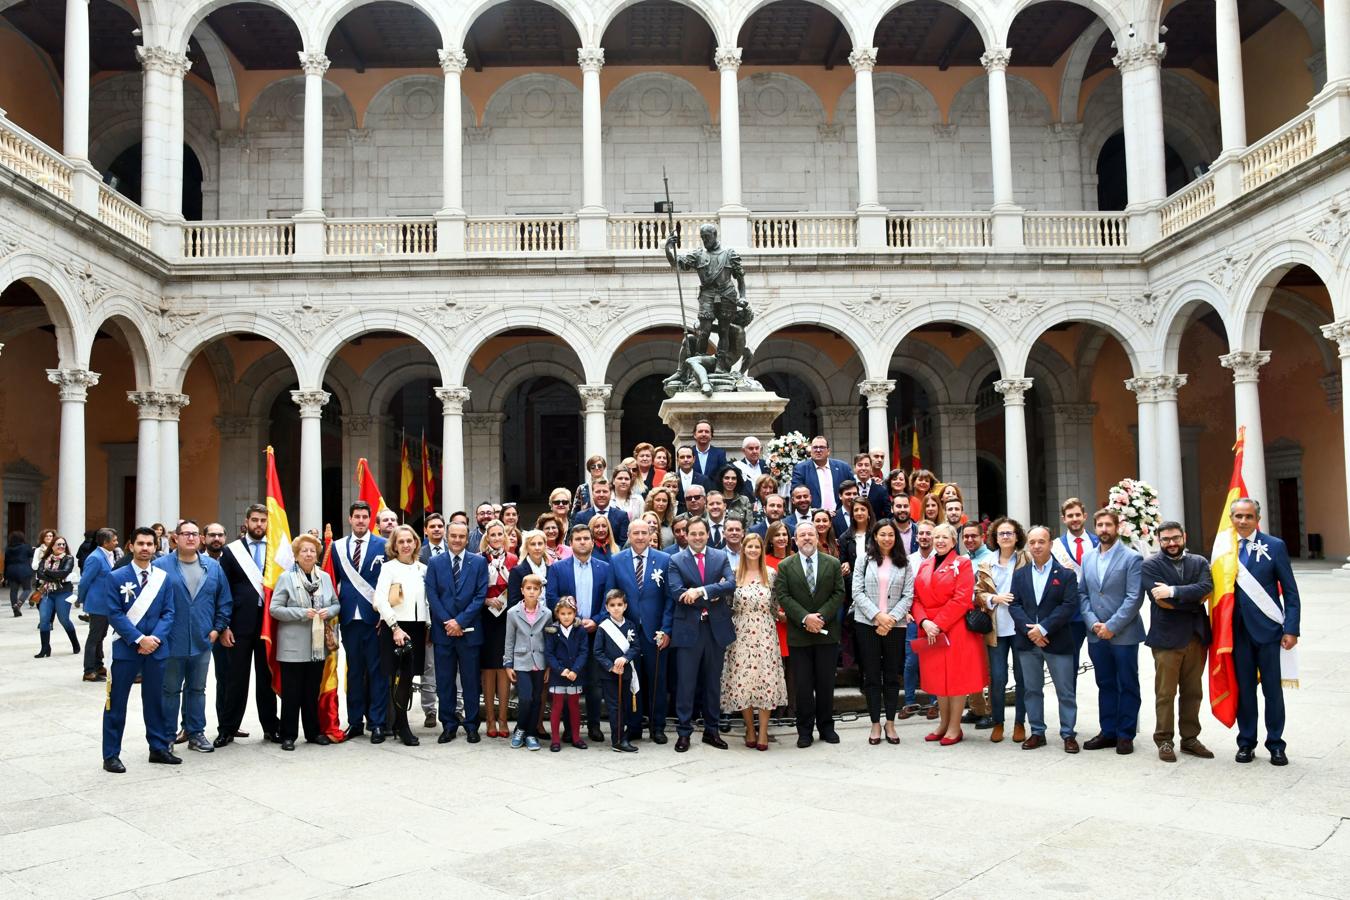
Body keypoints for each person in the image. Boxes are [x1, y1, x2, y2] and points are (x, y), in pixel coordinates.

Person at [1225, 498, 1300, 766]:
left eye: (1248, 516)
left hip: (1269, 632)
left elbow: (1290, 592)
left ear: (1257, 518)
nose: (1242, 521)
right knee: (1245, 691)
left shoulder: (1275, 546)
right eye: (1238, 516)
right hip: (1237, 634)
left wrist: (1291, 628)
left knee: (1272, 691)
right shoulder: (1224, 548)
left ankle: (1276, 744)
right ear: (1231, 518)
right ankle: (1246, 742)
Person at [100, 527, 176, 773]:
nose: (145, 548)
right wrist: (138, 639)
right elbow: (114, 613)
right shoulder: (116, 577)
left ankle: (158, 747)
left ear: (156, 547)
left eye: (150, 544)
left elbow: (169, 612)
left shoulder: (163, 578)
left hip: (156, 648)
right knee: (116, 703)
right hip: (125, 649)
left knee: (155, 701)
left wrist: (153, 639)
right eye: (140, 543)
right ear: (131, 546)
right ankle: (111, 754)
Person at [1143, 520, 1215, 763]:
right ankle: (1164, 740)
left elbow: (1207, 588)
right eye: (1165, 539)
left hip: (1196, 636)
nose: (1171, 543)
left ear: (1184, 536)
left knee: (1193, 691)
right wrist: (1192, 597)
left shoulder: (1199, 562)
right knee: (1165, 693)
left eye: (1175, 538)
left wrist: (1173, 591)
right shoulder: (1150, 565)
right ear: (1158, 540)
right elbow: (1159, 600)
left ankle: (1190, 739)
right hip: (1166, 638)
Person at [157, 520, 230, 754]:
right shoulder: (160, 566)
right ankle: (167, 735)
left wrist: (218, 628)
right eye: (185, 534)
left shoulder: (213, 567)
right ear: (175, 538)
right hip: (171, 639)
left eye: (195, 534)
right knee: (170, 689)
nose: (190, 538)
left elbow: (224, 600)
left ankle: (196, 732)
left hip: (202, 638)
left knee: (197, 689)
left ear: (200, 539)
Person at [911, 523, 987, 745]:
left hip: (955, 629)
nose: (940, 541)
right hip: (929, 630)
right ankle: (943, 723)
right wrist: (924, 622)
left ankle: (955, 727)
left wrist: (939, 624)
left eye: (945, 537)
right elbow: (916, 599)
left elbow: (962, 599)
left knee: (955, 679)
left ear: (954, 541)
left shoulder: (962, 563)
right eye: (937, 537)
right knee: (937, 680)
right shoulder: (925, 565)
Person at [1079, 508, 1145, 755]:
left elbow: (1134, 598)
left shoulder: (1131, 558)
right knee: (1105, 683)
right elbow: (1082, 593)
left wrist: (1112, 626)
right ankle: (1108, 731)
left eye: (1108, 525)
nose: (1104, 529)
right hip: (1096, 633)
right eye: (1100, 525)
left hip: (1124, 634)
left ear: (1117, 527)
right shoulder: (1087, 558)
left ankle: (1125, 734)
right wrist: (1094, 623)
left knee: (1127, 684)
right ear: (1095, 528)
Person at [215, 504, 281, 747]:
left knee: (267, 680)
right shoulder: (231, 552)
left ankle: (271, 727)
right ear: (246, 522)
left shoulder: (277, 551)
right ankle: (227, 728)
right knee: (235, 680)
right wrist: (224, 626)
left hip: (268, 627)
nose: (259, 525)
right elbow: (222, 591)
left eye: (263, 520)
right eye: (255, 520)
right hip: (237, 627)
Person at [668, 518, 736, 752]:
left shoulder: (720, 557)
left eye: (701, 533)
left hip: (715, 629)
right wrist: (710, 595)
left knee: (712, 683)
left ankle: (712, 730)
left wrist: (700, 591)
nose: (697, 537)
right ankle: (684, 733)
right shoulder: (676, 560)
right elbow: (677, 592)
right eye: (693, 533)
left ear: (708, 535)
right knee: (686, 684)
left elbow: (731, 583)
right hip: (688, 630)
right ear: (685, 535)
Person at [1010, 526, 1081, 752]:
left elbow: (1069, 606)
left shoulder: (1067, 575)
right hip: (1027, 641)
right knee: (1032, 689)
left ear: (1051, 544)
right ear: (1028, 546)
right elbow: (1014, 604)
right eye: (1032, 542)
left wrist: (1043, 628)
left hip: (1057, 641)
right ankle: (1037, 732)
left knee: (1065, 691)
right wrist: (1031, 630)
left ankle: (1068, 734)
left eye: (1042, 541)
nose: (1037, 546)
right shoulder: (1019, 574)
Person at [775, 521, 844, 747]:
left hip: (826, 633)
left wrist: (820, 617)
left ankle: (826, 727)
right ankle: (804, 731)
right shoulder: (786, 566)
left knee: (825, 685)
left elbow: (838, 593)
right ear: (795, 539)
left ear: (817, 538)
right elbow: (783, 596)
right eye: (802, 535)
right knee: (803, 687)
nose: (806, 538)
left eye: (810, 534)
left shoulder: (832, 563)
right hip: (799, 635)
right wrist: (806, 618)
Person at [269, 533, 340, 750]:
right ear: (296, 556)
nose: (308, 554)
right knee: (292, 694)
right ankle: (288, 735)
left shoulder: (325, 578)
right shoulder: (286, 578)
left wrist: (329, 610)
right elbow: (275, 609)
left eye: (312, 551)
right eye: (304, 551)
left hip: (317, 648)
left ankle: (313, 732)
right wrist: (302, 613)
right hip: (293, 646)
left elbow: (337, 603)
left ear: (317, 555)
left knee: (311, 692)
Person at [545, 524, 612, 743]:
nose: (582, 542)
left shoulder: (604, 567)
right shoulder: (557, 568)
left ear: (593, 542)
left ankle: (593, 727)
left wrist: (596, 619)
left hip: (595, 632)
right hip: (567, 635)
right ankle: (568, 729)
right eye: (578, 539)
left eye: (586, 538)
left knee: (594, 683)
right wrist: (572, 620)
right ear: (570, 543)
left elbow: (608, 599)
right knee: (566, 683)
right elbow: (552, 598)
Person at [331, 501, 390, 744]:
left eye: (365, 517)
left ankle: (377, 722)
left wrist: (386, 616)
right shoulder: (337, 547)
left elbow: (389, 582)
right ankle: (355, 722)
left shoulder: (383, 545)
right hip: (348, 619)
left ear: (370, 520)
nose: (361, 521)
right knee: (353, 672)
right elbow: (333, 580)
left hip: (374, 619)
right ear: (349, 519)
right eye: (357, 516)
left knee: (377, 672)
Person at [721, 533, 788, 750]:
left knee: (765, 679)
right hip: (740, 631)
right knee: (744, 680)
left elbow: (776, 604)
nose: (752, 550)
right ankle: (750, 728)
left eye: (756, 547)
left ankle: (764, 731)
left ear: (761, 550)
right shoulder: (734, 575)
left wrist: (786, 616)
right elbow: (728, 604)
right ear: (743, 549)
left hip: (766, 632)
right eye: (748, 546)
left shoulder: (770, 574)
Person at [851, 519, 914, 745]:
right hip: (867, 624)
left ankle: (890, 722)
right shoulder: (863, 560)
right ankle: (875, 723)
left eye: (891, 535)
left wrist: (891, 618)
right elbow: (857, 592)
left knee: (891, 675)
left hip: (895, 626)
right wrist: (878, 616)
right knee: (871, 675)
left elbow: (908, 595)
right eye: (882, 534)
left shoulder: (904, 563)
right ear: (875, 537)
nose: (887, 538)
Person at [609, 519, 673, 743]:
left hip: (656, 633)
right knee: (631, 681)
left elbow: (669, 599)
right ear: (628, 534)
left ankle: (657, 727)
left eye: (644, 533)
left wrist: (666, 629)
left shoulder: (664, 560)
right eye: (635, 533)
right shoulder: (617, 561)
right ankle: (634, 725)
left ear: (651, 534)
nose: (639, 537)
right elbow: (611, 595)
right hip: (627, 633)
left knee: (657, 680)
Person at [425, 520, 488, 743]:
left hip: (469, 632)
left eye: (462, 536)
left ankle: (471, 725)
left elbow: (480, 596)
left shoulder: (479, 562)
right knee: (445, 681)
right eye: (454, 536)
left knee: (471, 681)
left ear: (467, 537)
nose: (458, 540)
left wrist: (460, 622)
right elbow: (432, 596)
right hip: (444, 633)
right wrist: (448, 622)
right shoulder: (435, 562)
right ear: (447, 536)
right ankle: (449, 725)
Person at [369, 524, 429, 747]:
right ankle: (400, 725)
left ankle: (398, 722)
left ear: (415, 543)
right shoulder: (389, 568)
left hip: (417, 627)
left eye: (409, 540)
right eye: (400, 541)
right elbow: (380, 600)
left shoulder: (423, 568)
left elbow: (426, 601)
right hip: (395, 627)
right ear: (394, 545)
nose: (405, 545)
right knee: (394, 677)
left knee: (408, 677)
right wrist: (395, 627)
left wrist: (429, 626)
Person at [974, 517, 1029, 743]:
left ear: (1017, 537)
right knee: (997, 678)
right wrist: (994, 598)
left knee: (1022, 677)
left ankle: (1019, 723)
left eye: (1009, 533)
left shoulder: (1027, 559)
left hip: (1020, 629)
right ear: (995, 538)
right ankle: (998, 722)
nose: (1005, 537)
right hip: (996, 630)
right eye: (1001, 533)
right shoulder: (986, 563)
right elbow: (978, 594)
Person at [476, 520, 517, 740]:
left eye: (500, 533)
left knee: (504, 668)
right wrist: (486, 600)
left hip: (507, 618)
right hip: (486, 617)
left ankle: (503, 718)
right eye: (492, 534)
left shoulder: (513, 560)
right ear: (487, 537)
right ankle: (490, 719)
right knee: (488, 670)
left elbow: (519, 587)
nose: (497, 538)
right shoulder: (479, 560)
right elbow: (472, 590)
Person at [503, 573, 550, 751]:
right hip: (521, 662)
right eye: (528, 588)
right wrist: (508, 664)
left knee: (537, 699)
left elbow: (548, 641)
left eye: (535, 589)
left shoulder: (547, 614)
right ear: (522, 590)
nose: (531, 592)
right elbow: (509, 640)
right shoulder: (512, 613)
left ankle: (531, 733)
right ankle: (520, 729)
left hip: (540, 662)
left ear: (540, 591)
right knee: (525, 697)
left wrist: (549, 666)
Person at [1051, 497, 1097, 670]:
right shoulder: (1055, 547)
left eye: (1078, 514)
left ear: (1085, 516)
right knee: (1070, 665)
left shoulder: (1098, 543)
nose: (1074, 518)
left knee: (1102, 662)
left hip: (1096, 611)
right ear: (1064, 519)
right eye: (1070, 515)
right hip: (1070, 614)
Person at [594, 588, 641, 752]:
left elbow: (636, 647)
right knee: (614, 707)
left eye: (619, 604)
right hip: (609, 676)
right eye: (612, 605)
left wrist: (626, 658)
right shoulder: (603, 627)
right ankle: (617, 740)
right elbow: (597, 652)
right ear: (606, 607)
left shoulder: (630, 625)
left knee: (626, 705)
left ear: (625, 606)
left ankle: (625, 735)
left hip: (626, 673)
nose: (616, 608)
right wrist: (610, 666)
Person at [544, 596, 589, 751]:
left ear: (574, 613)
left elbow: (584, 652)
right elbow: (549, 654)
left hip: (575, 675)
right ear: (557, 614)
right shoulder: (552, 631)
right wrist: (561, 670)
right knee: (557, 706)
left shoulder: (580, 631)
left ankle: (576, 737)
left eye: (569, 613)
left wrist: (575, 670)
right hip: (559, 675)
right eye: (563, 613)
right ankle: (555, 740)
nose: (566, 617)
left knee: (574, 706)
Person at [78, 528, 119, 680]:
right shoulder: (95, 558)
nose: (116, 542)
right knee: (94, 637)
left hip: (106, 602)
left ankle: (98, 664)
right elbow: (85, 581)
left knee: (101, 635)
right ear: (105, 542)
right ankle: (89, 670)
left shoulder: (108, 555)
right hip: (97, 603)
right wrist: (80, 599)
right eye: (114, 540)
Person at [32, 535, 79, 658]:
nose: (61, 546)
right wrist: (54, 576)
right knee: (44, 620)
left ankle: (75, 643)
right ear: (52, 546)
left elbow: (64, 573)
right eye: (59, 544)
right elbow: (40, 574)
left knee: (64, 619)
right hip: (48, 593)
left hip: (63, 592)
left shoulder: (69, 558)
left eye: (63, 544)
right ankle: (45, 648)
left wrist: (47, 572)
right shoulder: (45, 559)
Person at [790, 435, 854, 512]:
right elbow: (796, 494)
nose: (818, 450)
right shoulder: (801, 469)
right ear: (811, 450)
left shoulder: (843, 468)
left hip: (839, 516)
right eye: (815, 447)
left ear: (828, 451)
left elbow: (853, 491)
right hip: (814, 517)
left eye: (822, 447)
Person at [572, 478, 630, 548]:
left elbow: (624, 545)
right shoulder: (581, 517)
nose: (601, 494)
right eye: (598, 492)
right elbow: (577, 542)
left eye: (605, 491)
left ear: (610, 493)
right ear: (592, 494)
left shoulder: (622, 516)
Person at [5, 530, 33, 618]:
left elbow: (6, 562)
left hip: (11, 571)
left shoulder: (8, 549)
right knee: (27, 589)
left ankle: (14, 607)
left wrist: (5, 575)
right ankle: (19, 604)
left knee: (13, 591)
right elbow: (31, 554)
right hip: (24, 570)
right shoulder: (26, 547)